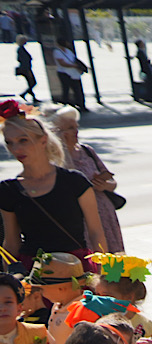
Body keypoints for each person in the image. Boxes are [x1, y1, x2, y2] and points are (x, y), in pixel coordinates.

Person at [1, 106, 107, 264]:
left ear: (43, 140)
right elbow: (11, 243)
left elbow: (96, 232)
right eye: (10, 143)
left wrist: (103, 275)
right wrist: (10, 282)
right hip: (34, 274)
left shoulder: (74, 181)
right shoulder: (8, 189)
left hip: (77, 271)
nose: (16, 149)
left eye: (23, 140)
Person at [46, 105, 124, 252]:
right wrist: (63, 147)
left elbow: (112, 182)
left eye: (76, 126)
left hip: (105, 213)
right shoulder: (54, 158)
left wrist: (104, 185)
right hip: (82, 217)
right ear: (56, 133)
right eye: (69, 128)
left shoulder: (87, 151)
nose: (76, 131)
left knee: (114, 259)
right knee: (93, 256)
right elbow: (68, 179)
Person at [52, 43, 86, 112]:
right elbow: (62, 63)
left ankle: (80, 104)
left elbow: (73, 60)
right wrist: (75, 66)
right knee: (66, 89)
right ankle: (67, 104)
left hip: (73, 73)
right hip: (64, 73)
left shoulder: (68, 51)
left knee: (77, 89)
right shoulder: (57, 52)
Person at [14, 36, 37, 104]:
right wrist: (28, 70)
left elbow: (18, 59)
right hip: (26, 69)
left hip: (25, 68)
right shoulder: (21, 49)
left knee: (30, 82)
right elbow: (24, 60)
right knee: (33, 82)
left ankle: (33, 97)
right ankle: (24, 94)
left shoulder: (21, 49)